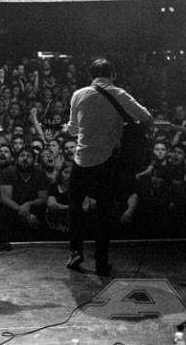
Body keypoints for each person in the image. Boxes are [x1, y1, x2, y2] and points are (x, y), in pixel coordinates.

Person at [62, 58, 152, 276]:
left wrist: (66, 128)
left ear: (91, 75)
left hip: (81, 158)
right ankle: (101, 261)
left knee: (75, 205)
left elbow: (72, 130)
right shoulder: (120, 94)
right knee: (103, 211)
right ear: (113, 74)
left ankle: (75, 251)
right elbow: (147, 117)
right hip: (107, 161)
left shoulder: (79, 94)